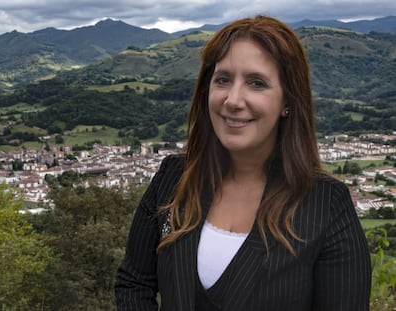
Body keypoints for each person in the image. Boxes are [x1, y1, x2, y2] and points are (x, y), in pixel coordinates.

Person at [115, 15, 371, 310]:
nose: (234, 100)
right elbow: (134, 282)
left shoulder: (326, 204)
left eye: (256, 83)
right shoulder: (173, 178)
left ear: (287, 101)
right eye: (223, 79)